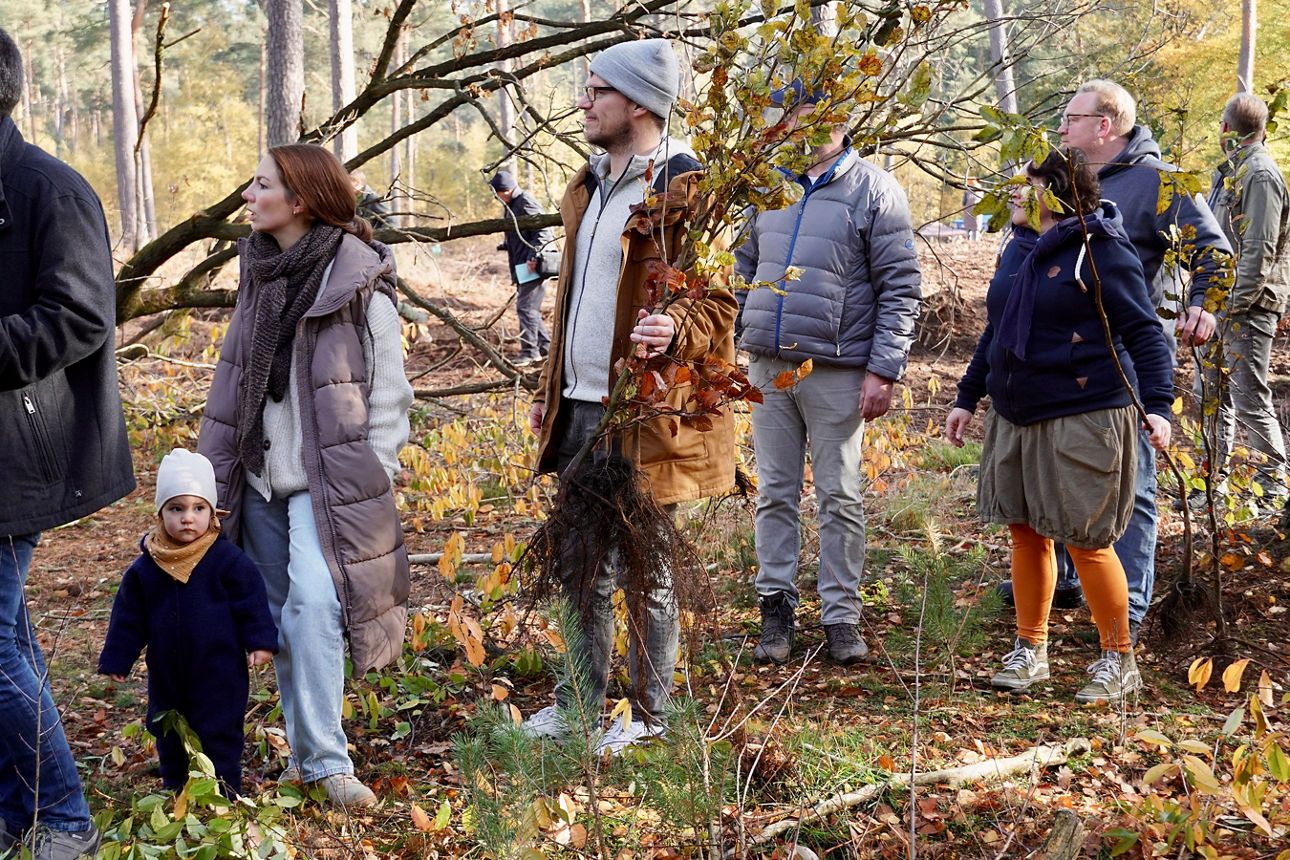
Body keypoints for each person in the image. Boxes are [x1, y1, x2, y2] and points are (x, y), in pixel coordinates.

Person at [523, 38, 737, 753]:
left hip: (647, 411)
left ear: (639, 102)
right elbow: (575, 300)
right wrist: (551, 390)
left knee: (647, 570)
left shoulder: (690, 193)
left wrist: (674, 324)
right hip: (582, 405)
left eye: (596, 90)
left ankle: (649, 718)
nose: (583, 102)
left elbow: (719, 308)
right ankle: (579, 705)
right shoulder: (584, 186)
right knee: (580, 563)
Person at [199, 144, 414, 807]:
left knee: (316, 603)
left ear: (299, 201)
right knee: (280, 619)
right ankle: (306, 760)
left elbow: (389, 398)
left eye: (259, 185)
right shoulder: (259, 273)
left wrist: (372, 475)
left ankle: (328, 765)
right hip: (260, 477)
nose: (247, 195)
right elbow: (233, 385)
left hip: (330, 485)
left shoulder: (359, 284)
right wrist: (211, 479)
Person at [999, 80, 1234, 640]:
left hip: (1123, 359)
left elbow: (1216, 254)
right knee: (1059, 478)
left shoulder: (1162, 182)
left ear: (1106, 125)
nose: (1061, 130)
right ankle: (1070, 583)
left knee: (1129, 483)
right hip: (1054, 364)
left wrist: (1203, 306)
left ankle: (1126, 605)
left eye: (1071, 119)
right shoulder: (1058, 180)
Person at [946, 148, 1174, 703]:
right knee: (1025, 531)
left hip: (1084, 413)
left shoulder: (1099, 253)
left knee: (1088, 540)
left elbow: (1145, 334)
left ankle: (1119, 659)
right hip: (1016, 413)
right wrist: (967, 395)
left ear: (1057, 191)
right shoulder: (1018, 249)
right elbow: (997, 330)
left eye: (1027, 183)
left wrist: (1160, 407)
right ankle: (1031, 649)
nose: (1016, 193)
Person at [0, 27, 135, 860]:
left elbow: (83, 315)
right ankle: (26, 811)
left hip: (19, 452)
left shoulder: (50, 189)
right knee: (8, 640)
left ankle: (66, 820)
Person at [735, 82, 922, 666]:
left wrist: (884, 369)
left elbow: (901, 287)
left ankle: (841, 618)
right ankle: (776, 613)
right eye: (790, 118)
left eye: (812, 119)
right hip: (769, 367)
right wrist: (746, 335)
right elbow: (744, 269)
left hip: (838, 368)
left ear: (840, 123)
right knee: (775, 494)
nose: (799, 129)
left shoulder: (875, 190)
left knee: (840, 495)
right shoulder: (766, 189)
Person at [99, 449, 278, 797]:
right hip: (166, 671)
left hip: (219, 668)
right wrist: (118, 657)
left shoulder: (227, 560)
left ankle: (223, 789)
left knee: (218, 729)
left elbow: (251, 601)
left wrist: (260, 640)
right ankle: (174, 786)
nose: (187, 519)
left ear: (212, 513)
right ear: (160, 513)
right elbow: (128, 616)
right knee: (168, 726)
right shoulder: (146, 568)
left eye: (198, 509)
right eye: (176, 508)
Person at [1202, 92, 1290, 503]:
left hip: (1248, 310)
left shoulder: (1260, 175)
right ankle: (1210, 487)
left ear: (1225, 128)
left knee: (1250, 399)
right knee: (1212, 397)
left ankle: (1271, 492)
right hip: (1218, 306)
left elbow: (1257, 251)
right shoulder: (1232, 171)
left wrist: (1227, 306)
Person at [489, 169, 555, 365]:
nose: (496, 198)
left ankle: (529, 352)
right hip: (522, 264)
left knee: (525, 308)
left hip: (533, 265)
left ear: (506, 191)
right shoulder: (511, 204)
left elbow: (543, 230)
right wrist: (507, 245)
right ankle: (545, 347)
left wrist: (534, 255)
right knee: (530, 308)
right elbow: (521, 232)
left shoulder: (525, 201)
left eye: (497, 194)